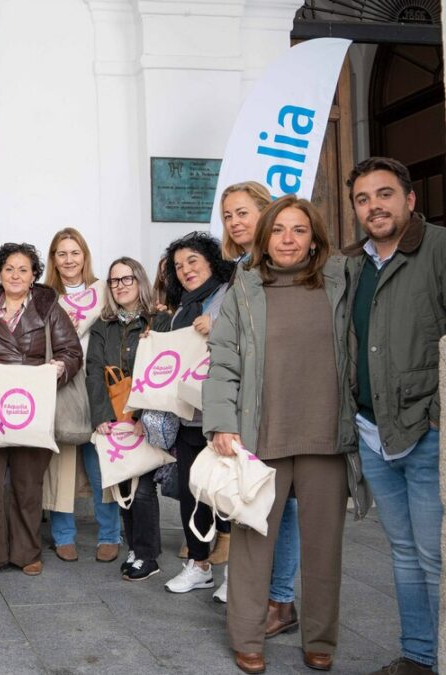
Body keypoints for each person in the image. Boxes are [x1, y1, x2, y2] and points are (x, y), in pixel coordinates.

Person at [205, 195, 365, 674]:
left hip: (326, 438)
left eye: (298, 230)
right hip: (262, 437)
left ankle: (320, 638)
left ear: (314, 237)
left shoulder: (340, 281)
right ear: (264, 237)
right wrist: (222, 422)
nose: (288, 239)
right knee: (254, 548)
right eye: (278, 230)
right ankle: (247, 638)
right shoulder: (245, 287)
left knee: (323, 549)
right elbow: (224, 361)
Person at [342, 157, 445, 675]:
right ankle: (418, 656)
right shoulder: (352, 264)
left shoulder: (439, 249)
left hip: (426, 432)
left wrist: (435, 413)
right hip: (371, 430)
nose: (374, 206)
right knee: (404, 551)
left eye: (384, 194)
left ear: (409, 199)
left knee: (435, 555)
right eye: (363, 199)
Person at [0, 243, 83, 579]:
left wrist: (59, 369)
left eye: (23, 269)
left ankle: (26, 552)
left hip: (32, 406)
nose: (15, 275)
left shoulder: (49, 308)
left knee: (28, 483)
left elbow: (72, 351)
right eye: (9, 269)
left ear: (34, 276)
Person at [218, 181, 302, 627]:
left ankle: (280, 600)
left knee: (283, 504)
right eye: (228, 215)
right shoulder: (242, 270)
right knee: (258, 499)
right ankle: (260, 594)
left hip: (284, 403)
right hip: (251, 403)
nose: (235, 222)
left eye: (243, 212)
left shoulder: (284, 267)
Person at [85, 257, 170, 581]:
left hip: (143, 414)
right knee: (125, 483)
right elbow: (94, 371)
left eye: (127, 279)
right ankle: (135, 548)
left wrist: (143, 417)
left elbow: (163, 372)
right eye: (114, 280)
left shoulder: (158, 322)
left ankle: (148, 555)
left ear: (140, 282)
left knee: (144, 487)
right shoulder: (102, 325)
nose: (120, 286)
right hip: (113, 415)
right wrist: (102, 416)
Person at [159, 231, 234, 594]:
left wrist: (217, 326)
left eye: (192, 261)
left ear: (210, 261)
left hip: (221, 412)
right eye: (178, 266)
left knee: (227, 492)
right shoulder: (181, 306)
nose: (185, 269)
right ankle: (199, 564)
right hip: (188, 414)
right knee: (193, 491)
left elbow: (248, 337)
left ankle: (236, 576)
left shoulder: (229, 293)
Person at [41, 228, 122, 564]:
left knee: (101, 462)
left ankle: (110, 534)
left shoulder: (104, 291)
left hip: (97, 384)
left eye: (75, 253)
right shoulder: (44, 296)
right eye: (62, 254)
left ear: (85, 256)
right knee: (59, 462)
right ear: (54, 259)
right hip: (61, 384)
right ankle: (63, 535)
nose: (69, 260)